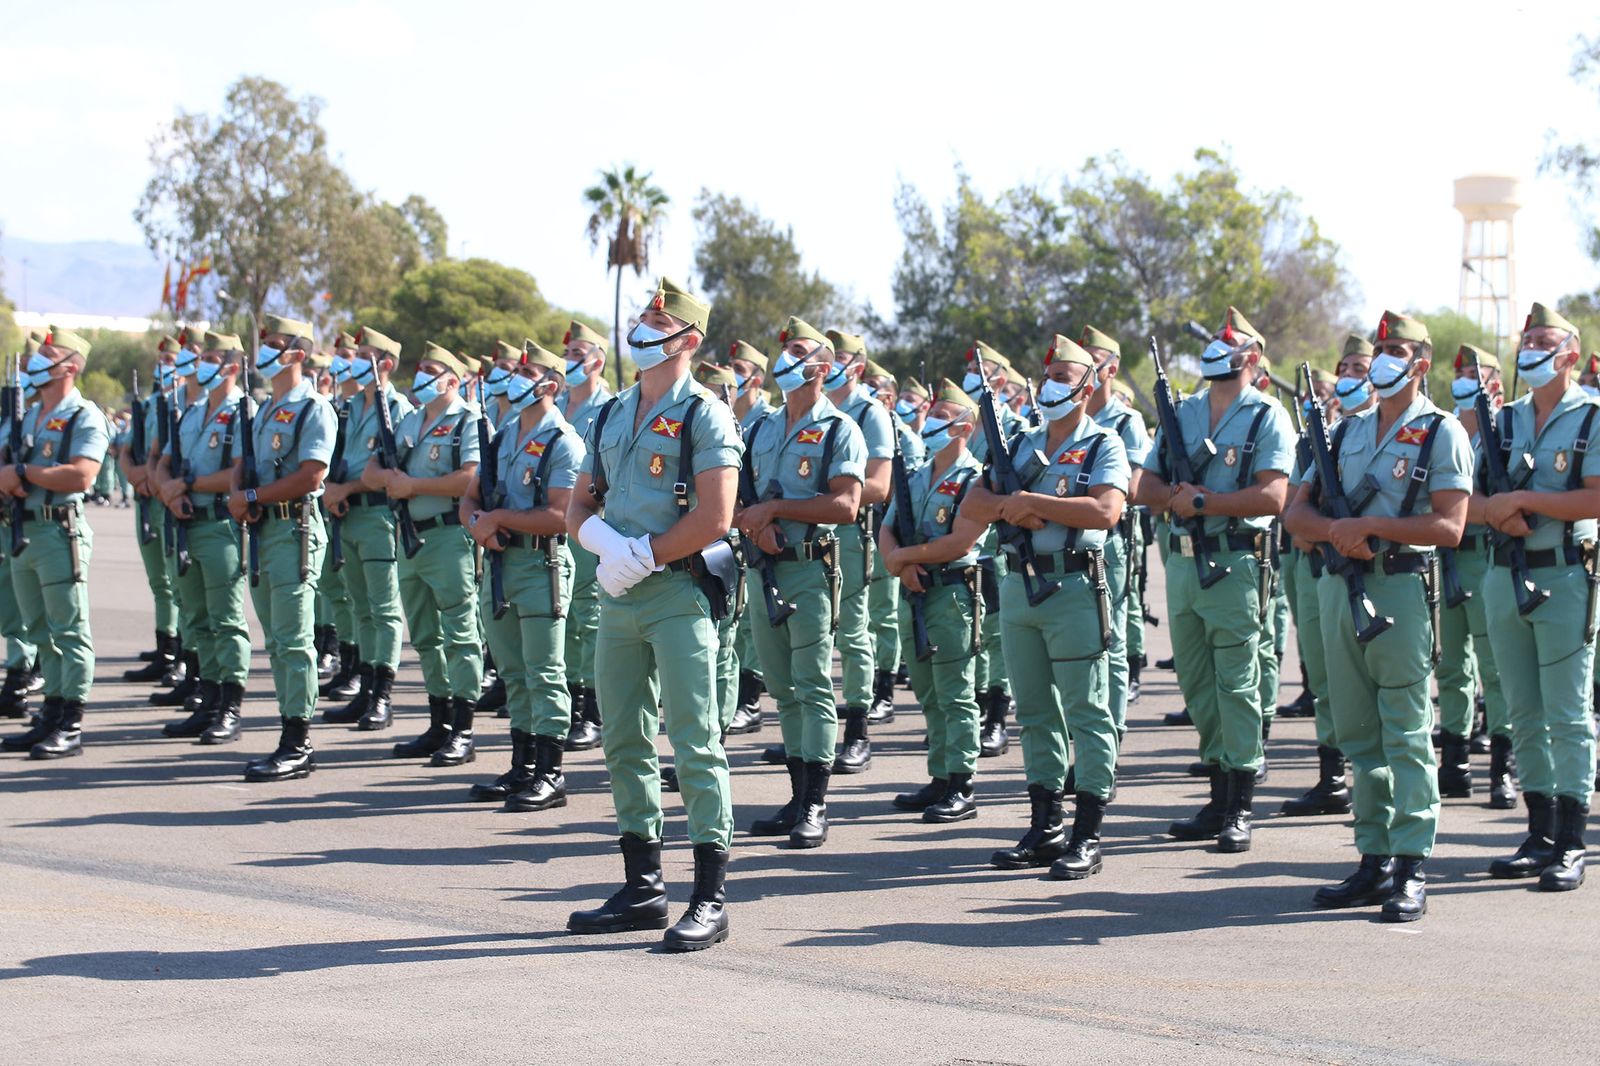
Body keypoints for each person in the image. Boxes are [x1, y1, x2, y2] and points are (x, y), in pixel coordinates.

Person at [565, 276, 742, 951]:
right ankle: (643, 888)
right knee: (624, 741)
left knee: (695, 741)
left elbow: (716, 516)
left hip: (676, 594)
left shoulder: (704, 414)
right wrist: (606, 543)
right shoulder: (610, 414)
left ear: (688, 340)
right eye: (640, 319)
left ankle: (710, 896)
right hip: (618, 590)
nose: (639, 331)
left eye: (654, 323)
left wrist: (650, 554)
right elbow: (579, 504)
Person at [1285, 310, 1472, 921]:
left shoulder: (1441, 432)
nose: (1386, 358)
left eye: (1398, 350)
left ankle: (1413, 863)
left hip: (1398, 590)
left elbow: (1449, 525)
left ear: (1420, 363)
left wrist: (1371, 526)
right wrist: (1337, 531)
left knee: (1406, 732)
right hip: (1341, 589)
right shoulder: (1344, 431)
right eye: (1382, 347)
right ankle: (1373, 859)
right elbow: (1296, 513)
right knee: (1357, 733)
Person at [966, 336, 1128, 876]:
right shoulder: (1019, 443)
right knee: (1034, 712)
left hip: (1075, 590)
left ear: (1088, 385)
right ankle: (1045, 824)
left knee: (1086, 711)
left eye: (1064, 376)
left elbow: (1106, 511)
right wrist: (1011, 507)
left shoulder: (1105, 442)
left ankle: (1088, 833)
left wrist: (1033, 503)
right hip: (1019, 590)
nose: (1051, 385)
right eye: (1048, 375)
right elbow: (976, 501)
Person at [1135, 307, 1292, 854]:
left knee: (1237, 685)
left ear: (1252, 357)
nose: (1219, 347)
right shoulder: (1182, 412)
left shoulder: (1267, 415)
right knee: (1199, 687)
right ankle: (1216, 792)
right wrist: (1172, 497)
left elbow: (1274, 496)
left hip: (1235, 563)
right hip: (1182, 565)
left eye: (1231, 342)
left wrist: (1208, 501)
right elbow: (1145, 483)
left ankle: (1240, 804)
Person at [1479, 303, 1599, 893]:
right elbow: (1464, 503)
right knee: (1521, 711)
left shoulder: (1591, 416)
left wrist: (1527, 501)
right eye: (1527, 340)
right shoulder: (1503, 420)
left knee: (1567, 713)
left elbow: (1594, 498)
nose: (1531, 348)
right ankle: (1539, 831)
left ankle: (1573, 841)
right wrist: (1497, 509)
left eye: (1544, 340)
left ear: (1570, 354)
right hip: (1504, 575)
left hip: (1564, 577)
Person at [740, 316, 866, 849]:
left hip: (810, 569)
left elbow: (846, 504)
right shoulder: (763, 426)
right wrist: (757, 520)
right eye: (783, 348)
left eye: (796, 349)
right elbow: (738, 487)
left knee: (812, 683)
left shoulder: (840, 429)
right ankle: (796, 796)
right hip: (762, 567)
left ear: (823, 365)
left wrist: (776, 510)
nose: (785, 357)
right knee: (783, 688)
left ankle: (816, 802)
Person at [465, 341, 582, 811]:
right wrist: (478, 525)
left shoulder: (563, 441)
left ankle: (550, 773)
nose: (514, 377)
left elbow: (560, 515)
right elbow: (471, 497)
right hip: (501, 564)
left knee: (545, 672)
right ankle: (522, 765)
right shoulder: (504, 433)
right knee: (513, 672)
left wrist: (499, 521)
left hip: (541, 565)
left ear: (549, 385)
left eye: (525, 371)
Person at [231, 314, 336, 782]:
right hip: (264, 532)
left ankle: (299, 742)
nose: (264, 350)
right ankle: (288, 732)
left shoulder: (313, 407)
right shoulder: (264, 408)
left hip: (295, 532)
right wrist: (242, 496)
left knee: (294, 640)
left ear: (296, 352)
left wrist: (252, 497)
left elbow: (312, 475)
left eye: (273, 343)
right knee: (275, 640)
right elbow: (245, 464)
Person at [369, 343, 484, 765]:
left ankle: (465, 727)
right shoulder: (411, 420)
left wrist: (412, 486)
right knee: (424, 636)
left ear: (453, 380)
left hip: (449, 537)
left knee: (460, 633)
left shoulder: (467, 420)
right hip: (409, 537)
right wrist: (389, 477)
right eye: (421, 368)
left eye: (432, 370)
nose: (423, 375)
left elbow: (470, 479)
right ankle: (439, 721)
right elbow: (371, 470)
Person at [0, 327, 111, 759]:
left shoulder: (85, 415)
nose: (37, 358)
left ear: (70, 366)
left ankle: (71, 721)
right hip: (25, 530)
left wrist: (25, 474)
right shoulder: (30, 416)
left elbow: (83, 474)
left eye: (49, 352)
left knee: (69, 629)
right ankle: (50, 712)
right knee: (39, 630)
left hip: (59, 529)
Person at [880, 379, 987, 823]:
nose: (932, 422)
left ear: (964, 426)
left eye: (943, 416)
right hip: (914, 591)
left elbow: (962, 541)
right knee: (927, 690)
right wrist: (899, 564)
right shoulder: (917, 475)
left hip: (953, 594)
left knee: (955, 691)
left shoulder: (974, 479)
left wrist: (905, 557)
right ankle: (940, 776)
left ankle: (962, 782)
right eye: (933, 414)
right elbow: (886, 529)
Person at [1280, 338, 1372, 818]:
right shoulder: (1320, 436)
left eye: (1363, 366)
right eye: (1348, 368)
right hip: (1321, 569)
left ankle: (1374, 777)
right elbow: (1295, 510)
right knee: (1323, 674)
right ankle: (1332, 774)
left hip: (1376, 571)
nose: (1354, 375)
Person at [155, 332, 252, 744]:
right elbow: (161, 462)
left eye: (211, 358)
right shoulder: (193, 410)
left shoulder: (243, 412)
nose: (202, 365)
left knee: (226, 619)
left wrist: (186, 484)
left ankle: (230, 707)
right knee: (197, 618)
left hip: (220, 526)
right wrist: (168, 489)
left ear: (232, 366)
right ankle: (207, 697)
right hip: (186, 522)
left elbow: (238, 471)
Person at [320, 327, 414, 730]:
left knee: (383, 608)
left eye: (366, 355)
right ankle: (363, 685)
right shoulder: (348, 406)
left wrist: (348, 487)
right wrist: (331, 489)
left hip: (378, 516)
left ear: (386, 364)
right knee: (359, 606)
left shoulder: (400, 409)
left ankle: (383, 695)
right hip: (347, 515)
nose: (356, 360)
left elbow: (393, 471)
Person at [1438, 344, 1515, 807]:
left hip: (1486, 559)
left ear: (1496, 388)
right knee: (1451, 668)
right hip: (1447, 560)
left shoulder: (1503, 436)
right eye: (1462, 373)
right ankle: (1455, 761)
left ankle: (1502, 768)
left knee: (1495, 670)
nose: (1465, 379)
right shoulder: (1444, 432)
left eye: (1475, 374)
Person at [821, 330, 895, 774]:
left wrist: (818, 495)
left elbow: (880, 485)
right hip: (811, 534)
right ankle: (809, 740)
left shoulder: (870, 413)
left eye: (839, 359)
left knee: (852, 633)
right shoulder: (812, 409)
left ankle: (858, 732)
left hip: (850, 536)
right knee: (812, 637)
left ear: (857, 368)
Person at [1082, 325, 1150, 740]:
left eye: (1094, 360)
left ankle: (1111, 735)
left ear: (1112, 368)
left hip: (1111, 543)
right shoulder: (1061, 419)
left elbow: (1135, 489)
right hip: (1069, 542)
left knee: (1111, 638)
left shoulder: (1127, 422)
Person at [962, 343, 1024, 756]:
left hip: (998, 544)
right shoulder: (959, 423)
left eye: (980, 371)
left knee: (998, 633)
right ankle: (971, 710)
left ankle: (997, 715)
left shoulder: (1015, 429)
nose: (971, 377)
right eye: (969, 369)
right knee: (971, 631)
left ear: (999, 380)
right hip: (962, 543)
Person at [556, 321, 612, 752]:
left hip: (595, 524)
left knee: (589, 621)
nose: (569, 361)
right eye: (568, 353)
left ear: (597, 361)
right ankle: (572, 703)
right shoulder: (555, 404)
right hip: (558, 526)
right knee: (567, 618)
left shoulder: (609, 408)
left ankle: (592, 710)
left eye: (577, 354)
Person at [122, 338, 183, 686]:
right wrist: (135, 476)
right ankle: (165, 647)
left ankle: (179, 652)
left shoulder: (182, 405)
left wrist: (153, 478)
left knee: (177, 583)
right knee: (158, 581)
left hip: (167, 501)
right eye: (161, 359)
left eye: (171, 359)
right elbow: (127, 450)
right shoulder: (147, 406)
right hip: (146, 500)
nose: (164, 365)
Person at [864, 359, 922, 725]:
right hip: (860, 532)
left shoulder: (906, 441)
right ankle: (869, 686)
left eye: (875, 388)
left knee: (884, 615)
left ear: (889, 397)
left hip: (887, 533)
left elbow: (910, 499)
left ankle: (884, 691)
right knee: (864, 620)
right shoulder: (862, 428)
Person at [725, 339, 774, 735]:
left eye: (740, 370)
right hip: (729, 526)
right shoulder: (727, 415)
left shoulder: (765, 421)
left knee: (747, 618)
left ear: (755, 378)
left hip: (757, 527)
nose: (733, 376)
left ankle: (751, 696)